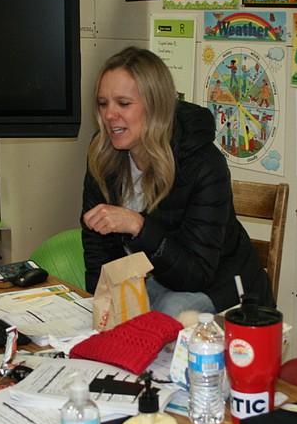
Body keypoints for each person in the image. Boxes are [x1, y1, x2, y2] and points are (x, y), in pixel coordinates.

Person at [81, 47, 274, 319]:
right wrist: (103, 300)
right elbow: (97, 246)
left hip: (218, 282)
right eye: (103, 103)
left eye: (123, 104)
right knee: (108, 311)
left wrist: (138, 226)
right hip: (153, 276)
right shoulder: (102, 153)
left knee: (166, 315)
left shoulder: (204, 163)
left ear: (156, 106)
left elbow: (196, 274)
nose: (109, 115)